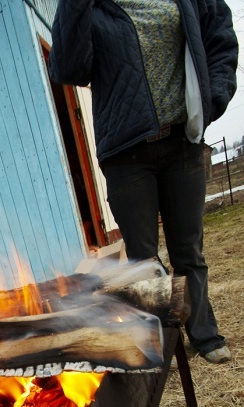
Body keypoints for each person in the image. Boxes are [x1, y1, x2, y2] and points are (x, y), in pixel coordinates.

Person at [49, 0, 238, 363]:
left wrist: (213, 97)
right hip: (125, 155)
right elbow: (68, 67)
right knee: (143, 261)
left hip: (183, 141)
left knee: (189, 252)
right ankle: (163, 344)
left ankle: (205, 335)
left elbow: (220, 40)